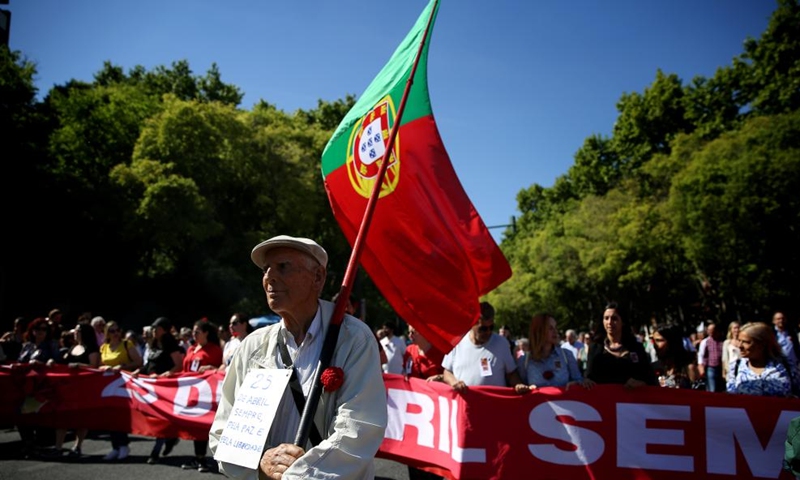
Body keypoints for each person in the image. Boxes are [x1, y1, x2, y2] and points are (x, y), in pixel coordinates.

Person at [209, 235, 387, 479]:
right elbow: (226, 432)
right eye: (265, 269)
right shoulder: (252, 347)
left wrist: (295, 474)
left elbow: (359, 430)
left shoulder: (354, 338)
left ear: (318, 277)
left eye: (283, 267)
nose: (270, 277)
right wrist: (260, 464)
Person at [441, 302, 524, 392]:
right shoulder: (457, 341)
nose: (488, 332)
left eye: (491, 327)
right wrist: (454, 383)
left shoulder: (501, 343)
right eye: (483, 329)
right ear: (472, 323)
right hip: (465, 402)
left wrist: (519, 385)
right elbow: (447, 372)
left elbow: (511, 374)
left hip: (494, 403)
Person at [134, 316, 184, 464]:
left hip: (165, 387)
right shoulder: (154, 343)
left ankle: (155, 452)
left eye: (155, 328)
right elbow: (150, 364)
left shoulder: (170, 344)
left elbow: (178, 365)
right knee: (157, 419)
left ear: (162, 330)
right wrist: (140, 370)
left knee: (162, 418)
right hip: (152, 387)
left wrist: (164, 375)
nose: (153, 331)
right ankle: (171, 438)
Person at [48, 323, 101, 457]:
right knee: (62, 417)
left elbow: (94, 367)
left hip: (84, 388)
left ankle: (78, 446)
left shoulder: (92, 348)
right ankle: (58, 447)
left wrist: (79, 365)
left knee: (81, 418)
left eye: (77, 331)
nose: (75, 333)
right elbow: (64, 364)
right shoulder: (73, 347)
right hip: (68, 387)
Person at [181, 319, 223, 472]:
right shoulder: (191, 348)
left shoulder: (214, 349)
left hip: (206, 393)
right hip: (191, 391)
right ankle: (198, 457)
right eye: (193, 331)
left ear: (205, 333)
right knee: (193, 424)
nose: (194, 334)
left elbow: (221, 369)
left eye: (197, 331)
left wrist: (211, 368)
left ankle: (203, 458)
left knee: (203, 425)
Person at [99, 320, 144, 460]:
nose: (116, 333)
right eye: (112, 331)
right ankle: (115, 447)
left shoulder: (126, 344)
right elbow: (99, 365)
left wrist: (123, 365)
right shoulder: (104, 347)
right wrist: (104, 368)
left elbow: (139, 362)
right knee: (110, 415)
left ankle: (124, 445)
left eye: (117, 330)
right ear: (107, 333)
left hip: (122, 384)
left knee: (120, 415)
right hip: (108, 386)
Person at [515, 314, 593, 393]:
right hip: (539, 405)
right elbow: (522, 387)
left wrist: (579, 382)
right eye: (550, 328)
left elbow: (578, 380)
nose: (556, 331)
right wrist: (523, 388)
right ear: (538, 331)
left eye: (555, 327)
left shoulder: (566, 355)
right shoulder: (524, 361)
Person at [585, 302, 656, 388]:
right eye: (606, 318)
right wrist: (587, 381)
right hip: (604, 399)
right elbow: (588, 376)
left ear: (623, 322)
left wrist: (640, 383)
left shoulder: (636, 348)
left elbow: (650, 378)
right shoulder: (595, 348)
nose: (609, 322)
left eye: (614, 318)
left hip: (632, 399)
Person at [727, 322, 795, 397]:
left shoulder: (786, 365)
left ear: (762, 344)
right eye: (739, 340)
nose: (740, 346)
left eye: (746, 342)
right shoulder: (735, 367)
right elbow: (731, 398)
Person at [650, 323, 698, 389]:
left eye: (659, 340)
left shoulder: (688, 368)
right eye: (654, 341)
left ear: (672, 342)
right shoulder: (654, 368)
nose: (655, 345)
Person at [697, 321, 725, 392]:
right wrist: (701, 367)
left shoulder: (722, 341)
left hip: (720, 367)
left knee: (720, 387)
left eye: (712, 330)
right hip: (710, 367)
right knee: (712, 388)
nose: (710, 332)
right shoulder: (705, 342)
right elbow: (701, 355)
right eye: (709, 330)